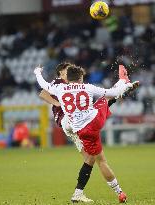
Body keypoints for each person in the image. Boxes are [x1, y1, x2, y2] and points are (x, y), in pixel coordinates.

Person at [34, 64, 139, 203]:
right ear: (80, 77)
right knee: (106, 99)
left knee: (92, 159)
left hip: (79, 129)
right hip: (93, 122)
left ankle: (83, 193)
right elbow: (111, 93)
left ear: (69, 77)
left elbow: (43, 85)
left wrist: (37, 72)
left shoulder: (59, 88)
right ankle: (123, 81)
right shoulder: (86, 87)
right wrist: (126, 87)